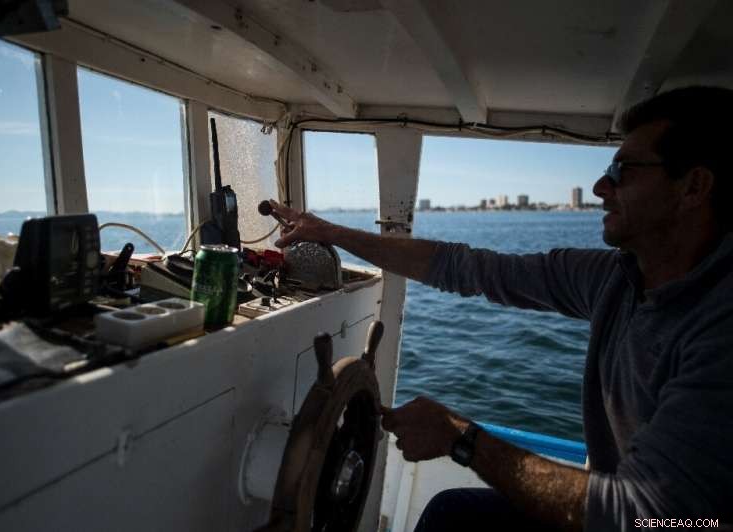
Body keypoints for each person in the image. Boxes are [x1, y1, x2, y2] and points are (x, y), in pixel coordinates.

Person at [269, 85, 733, 531]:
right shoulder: (617, 279)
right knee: (454, 514)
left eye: (622, 170)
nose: (599, 185)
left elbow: (648, 518)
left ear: (693, 187)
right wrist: (333, 234)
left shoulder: (720, 328)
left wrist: (460, 438)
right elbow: (470, 268)